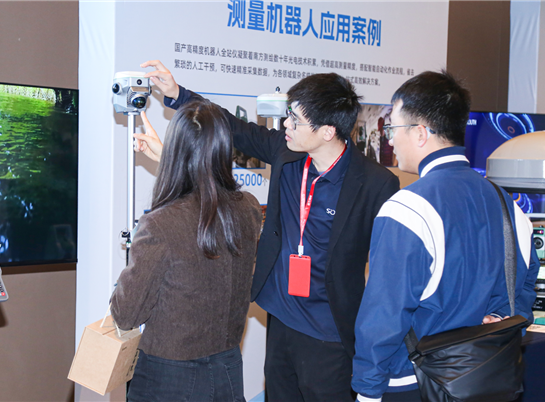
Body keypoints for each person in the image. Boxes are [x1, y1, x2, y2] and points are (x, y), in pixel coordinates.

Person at [137, 60, 400, 401]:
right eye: (289, 114)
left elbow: (387, 273)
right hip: (281, 321)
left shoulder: (376, 184)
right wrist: (178, 94)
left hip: (330, 333)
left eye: (296, 120)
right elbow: (231, 126)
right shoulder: (287, 153)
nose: (286, 124)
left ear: (327, 131)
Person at [351, 71, 540, 402]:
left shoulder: (406, 208)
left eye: (393, 129)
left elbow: (384, 312)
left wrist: (367, 389)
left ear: (420, 133)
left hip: (415, 380)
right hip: (485, 377)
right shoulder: (508, 205)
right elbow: (524, 284)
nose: (390, 141)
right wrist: (502, 319)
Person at [110, 99, 262, 402]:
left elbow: (125, 314)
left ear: (175, 152)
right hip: (229, 370)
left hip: (168, 379)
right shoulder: (249, 209)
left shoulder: (159, 225)